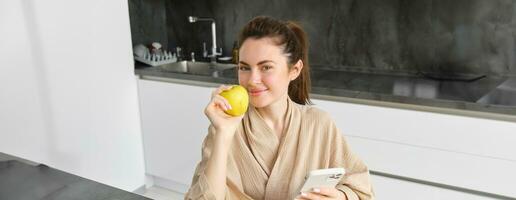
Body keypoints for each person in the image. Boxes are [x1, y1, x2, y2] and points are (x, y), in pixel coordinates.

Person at [185, 16, 374, 200]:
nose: (252, 80)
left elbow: (361, 189)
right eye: (244, 68)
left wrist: (339, 196)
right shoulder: (226, 125)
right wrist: (223, 134)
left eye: (266, 67)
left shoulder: (319, 123)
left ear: (294, 70)